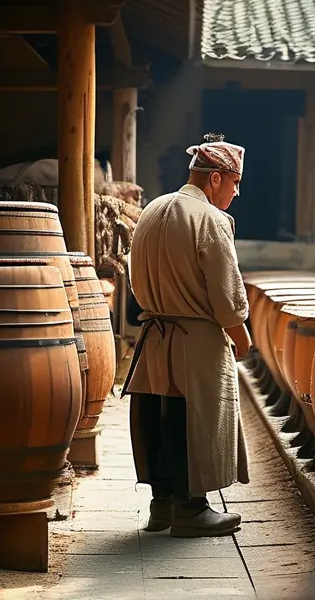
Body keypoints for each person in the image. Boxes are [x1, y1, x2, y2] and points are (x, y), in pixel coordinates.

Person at [122, 133, 251, 538]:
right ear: (215, 179)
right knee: (192, 418)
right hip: (195, 337)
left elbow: (133, 277)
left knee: (157, 412)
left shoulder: (151, 210)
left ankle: (162, 505)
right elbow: (226, 294)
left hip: (156, 332)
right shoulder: (210, 219)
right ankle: (191, 510)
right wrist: (241, 336)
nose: (235, 193)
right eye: (234, 183)